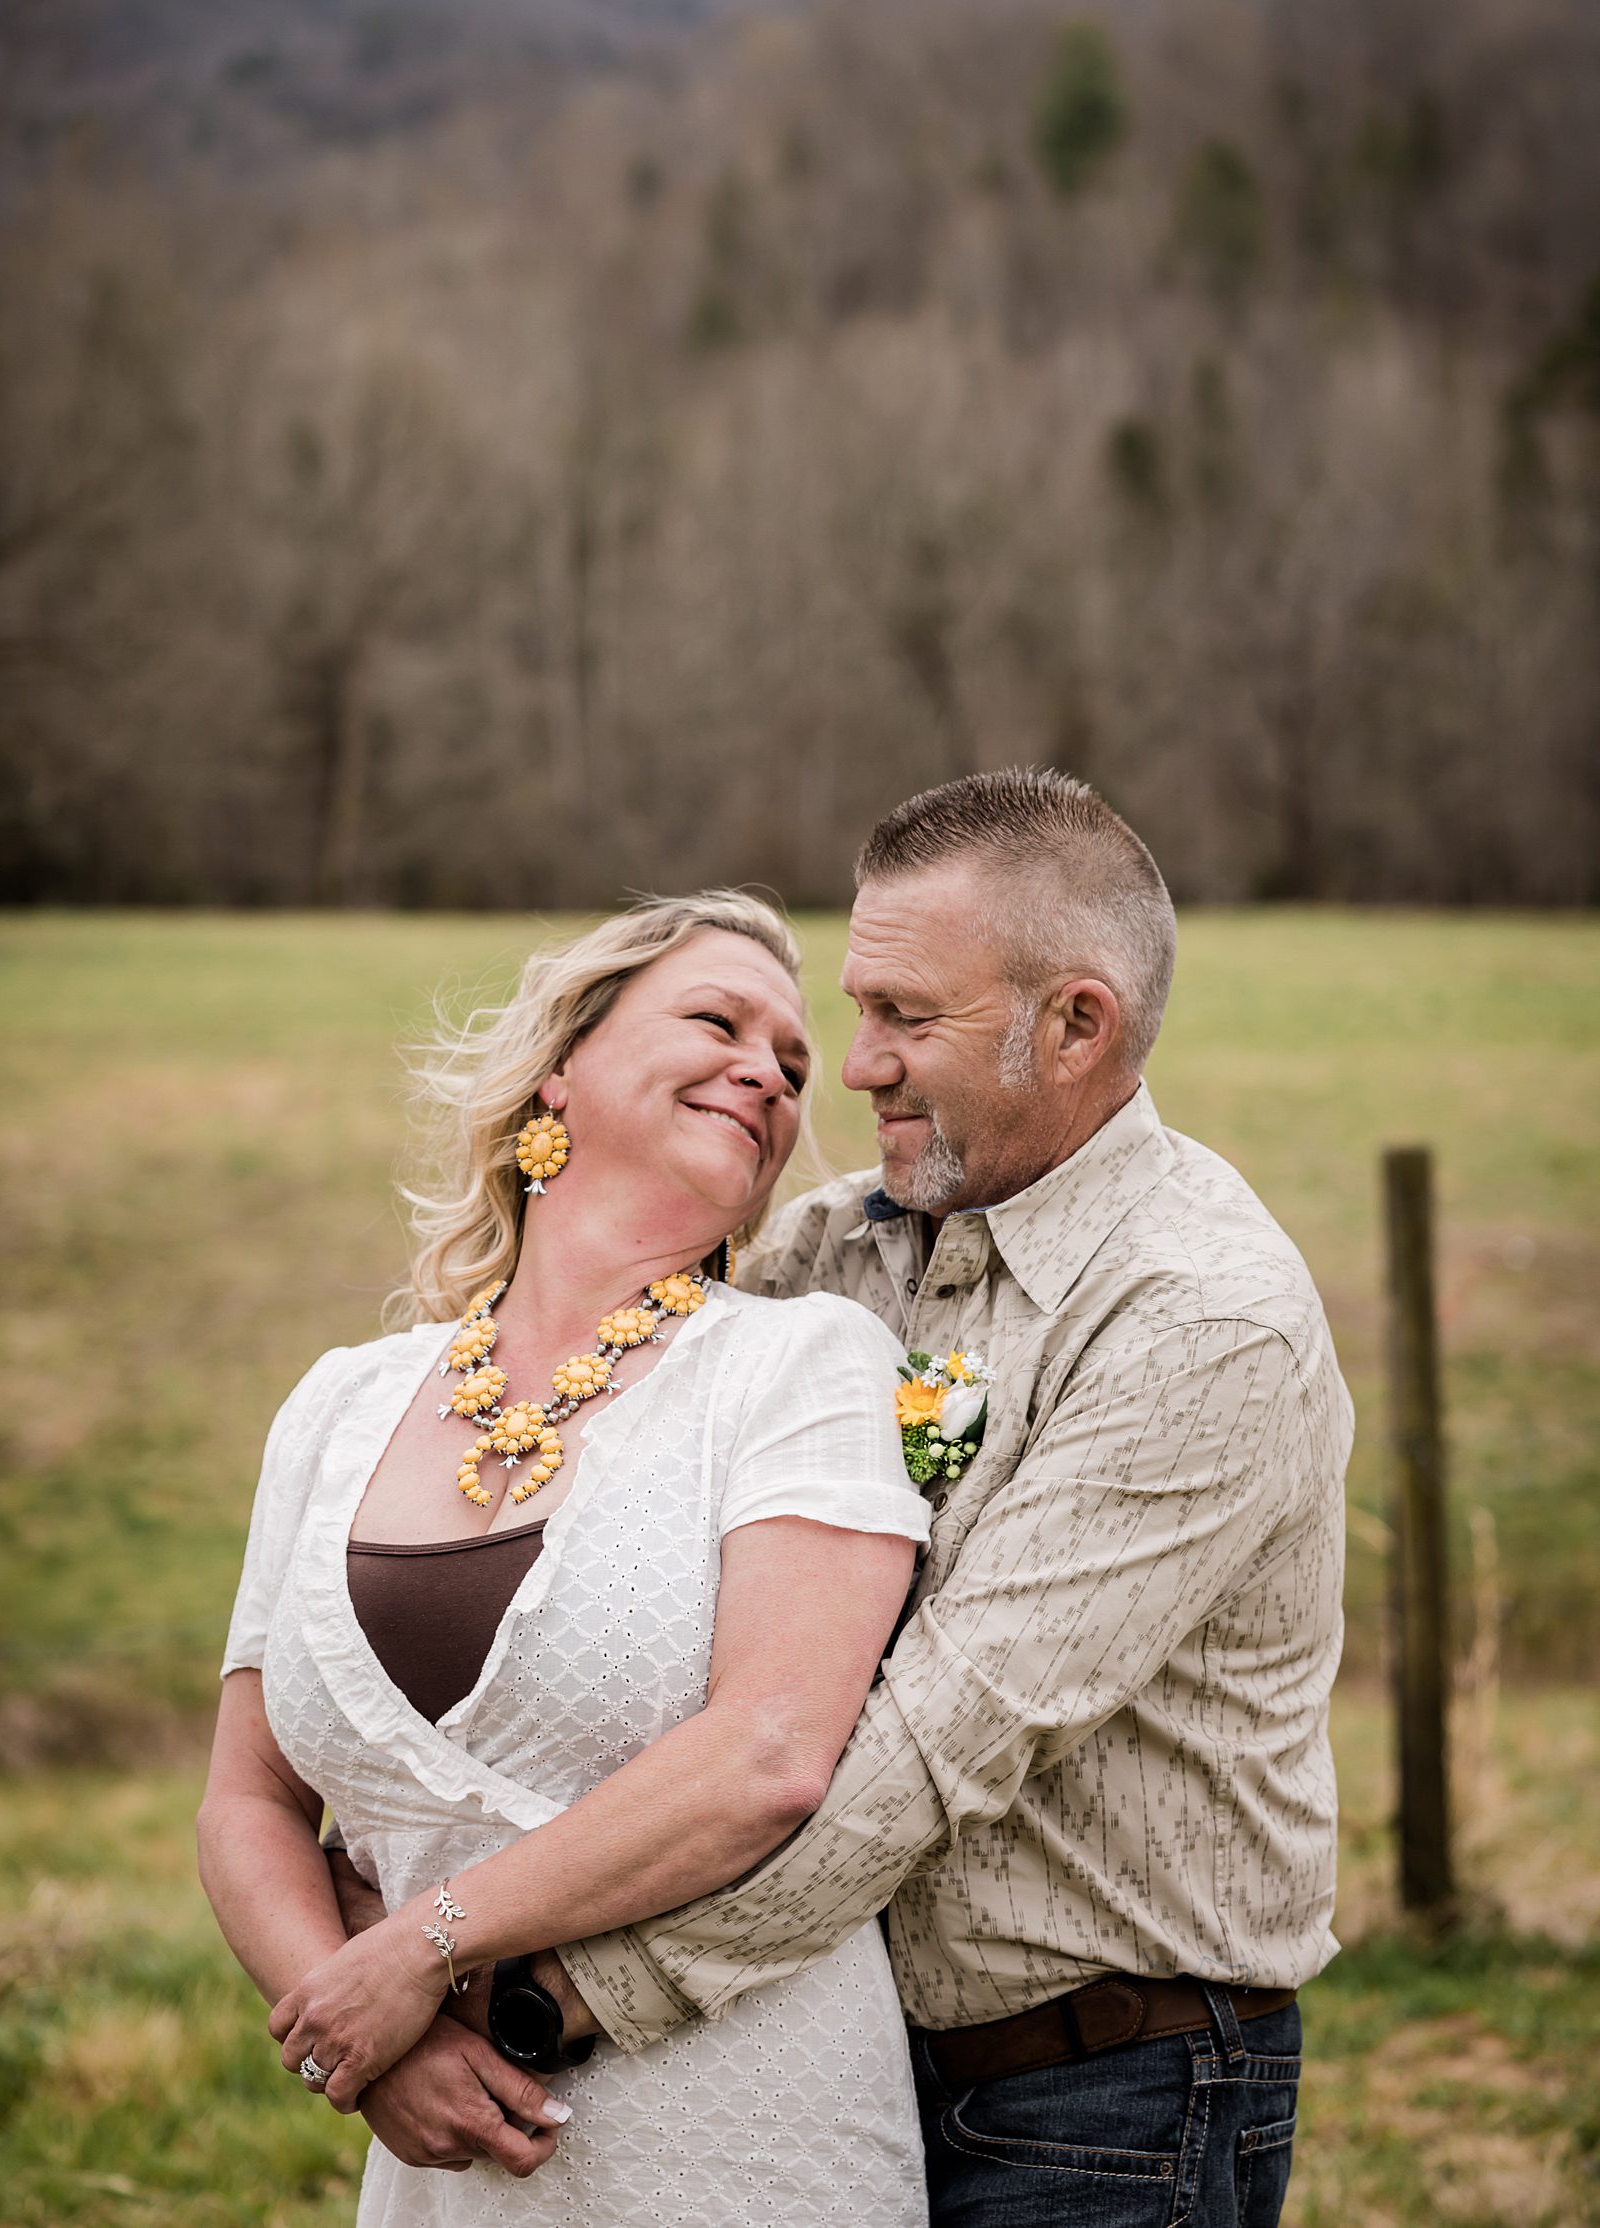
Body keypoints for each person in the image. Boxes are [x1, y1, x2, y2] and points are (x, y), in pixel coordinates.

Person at [533, 770, 1354, 2228]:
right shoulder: (838, 1249)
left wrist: (563, 1992)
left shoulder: (1203, 1318)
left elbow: (937, 1738)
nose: (852, 1071)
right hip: (828, 2054)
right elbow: (603, 1516)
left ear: (1076, 1025)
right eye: (857, 1012)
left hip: (1105, 2097)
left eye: (909, 1019)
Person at [197, 890, 934, 2227]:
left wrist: (423, 1943)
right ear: (562, 1072)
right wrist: (374, 2044)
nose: (765, 1070)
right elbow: (247, 1802)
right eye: (717, 1020)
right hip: (447, 2165)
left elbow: (767, 1753)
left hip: (745, 2136)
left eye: (791, 1064)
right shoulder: (337, 1405)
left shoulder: (801, 1365)